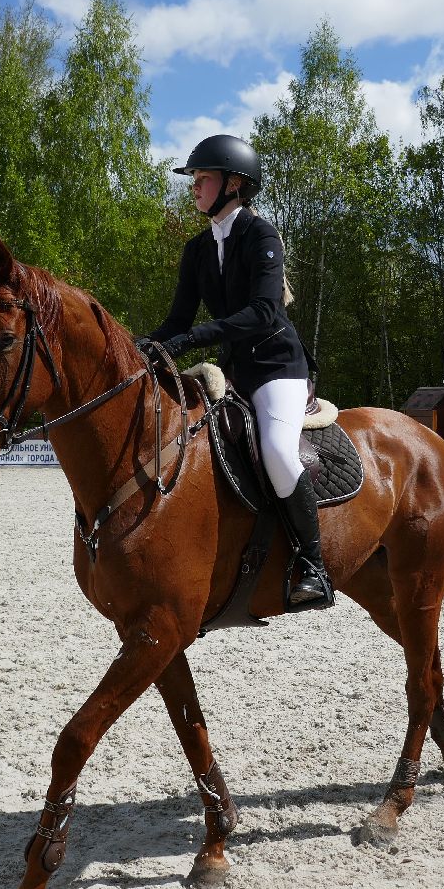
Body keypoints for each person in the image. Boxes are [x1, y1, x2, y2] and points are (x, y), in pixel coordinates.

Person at [143, 134, 332, 611]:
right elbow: (177, 321)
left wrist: (191, 340)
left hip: (277, 368)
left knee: (277, 452)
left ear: (234, 184)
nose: (194, 187)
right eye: (194, 179)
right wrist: (144, 346)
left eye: (202, 178)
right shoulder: (197, 250)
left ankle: (314, 566)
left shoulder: (261, 235)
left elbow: (266, 312)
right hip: (234, 371)